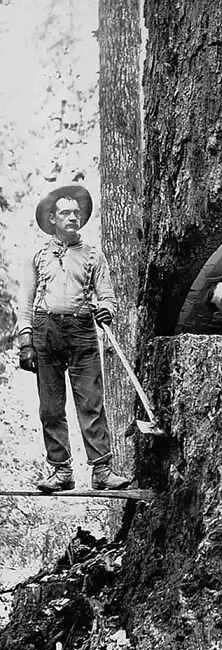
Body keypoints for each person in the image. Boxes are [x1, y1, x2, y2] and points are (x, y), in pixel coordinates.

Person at [15, 184, 130, 493]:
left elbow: (108, 296)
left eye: (76, 213)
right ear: (53, 218)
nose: (72, 218)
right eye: (65, 213)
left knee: (91, 403)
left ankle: (102, 471)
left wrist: (105, 309)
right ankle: (61, 471)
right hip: (45, 332)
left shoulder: (93, 254)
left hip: (81, 332)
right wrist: (25, 340)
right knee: (51, 407)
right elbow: (25, 301)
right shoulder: (38, 255)